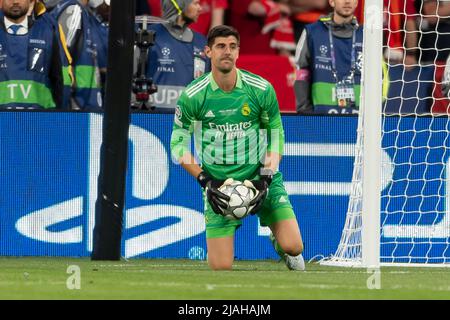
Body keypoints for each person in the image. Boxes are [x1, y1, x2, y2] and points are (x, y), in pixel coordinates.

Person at [170, 25, 305, 271]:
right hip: (219, 187)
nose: (227, 52)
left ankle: (279, 240)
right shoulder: (193, 96)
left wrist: (266, 177)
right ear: (208, 52)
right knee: (220, 268)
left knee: (294, 247)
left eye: (232, 47)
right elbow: (177, 143)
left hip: (260, 178)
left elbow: (276, 134)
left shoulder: (260, 89)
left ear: (239, 52)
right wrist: (204, 179)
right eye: (221, 46)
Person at [294, 0, 363, 114]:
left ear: (356, 3)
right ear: (331, 2)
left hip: (359, 120)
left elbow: (380, 77)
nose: (347, 2)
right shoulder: (312, 32)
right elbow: (301, 71)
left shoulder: (366, 35)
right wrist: (304, 111)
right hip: (320, 119)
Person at [144, 0, 210, 110]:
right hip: (151, 120)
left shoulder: (202, 42)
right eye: (195, 3)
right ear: (179, 5)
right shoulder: (149, 37)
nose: (200, 8)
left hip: (188, 122)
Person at [0, 0, 64, 109]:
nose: (15, 2)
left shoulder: (47, 31)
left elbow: (57, 78)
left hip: (39, 120)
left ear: (30, 1)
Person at [51, 0, 103, 110]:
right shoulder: (73, 10)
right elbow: (63, 59)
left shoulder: (86, 13)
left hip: (84, 104)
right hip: (76, 107)